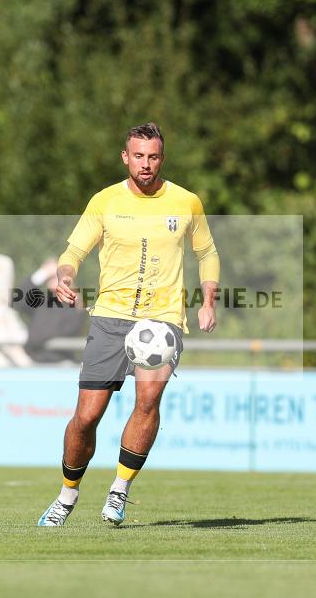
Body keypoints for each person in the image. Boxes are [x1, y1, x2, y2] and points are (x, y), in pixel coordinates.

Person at [37, 122, 220, 527]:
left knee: (148, 402)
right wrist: (64, 276)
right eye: (138, 156)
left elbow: (207, 253)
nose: (146, 164)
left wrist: (208, 300)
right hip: (110, 318)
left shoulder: (186, 201)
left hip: (163, 320)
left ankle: (120, 488)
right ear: (125, 157)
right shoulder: (104, 200)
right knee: (86, 416)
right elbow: (74, 249)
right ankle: (67, 494)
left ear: (162, 158)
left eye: (153, 156)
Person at [12, 257, 87, 364]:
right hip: (35, 361)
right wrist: (42, 273)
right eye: (50, 277)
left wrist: (31, 339)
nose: (52, 279)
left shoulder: (74, 304)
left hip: (61, 363)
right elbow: (19, 300)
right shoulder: (43, 302)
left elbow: (60, 330)